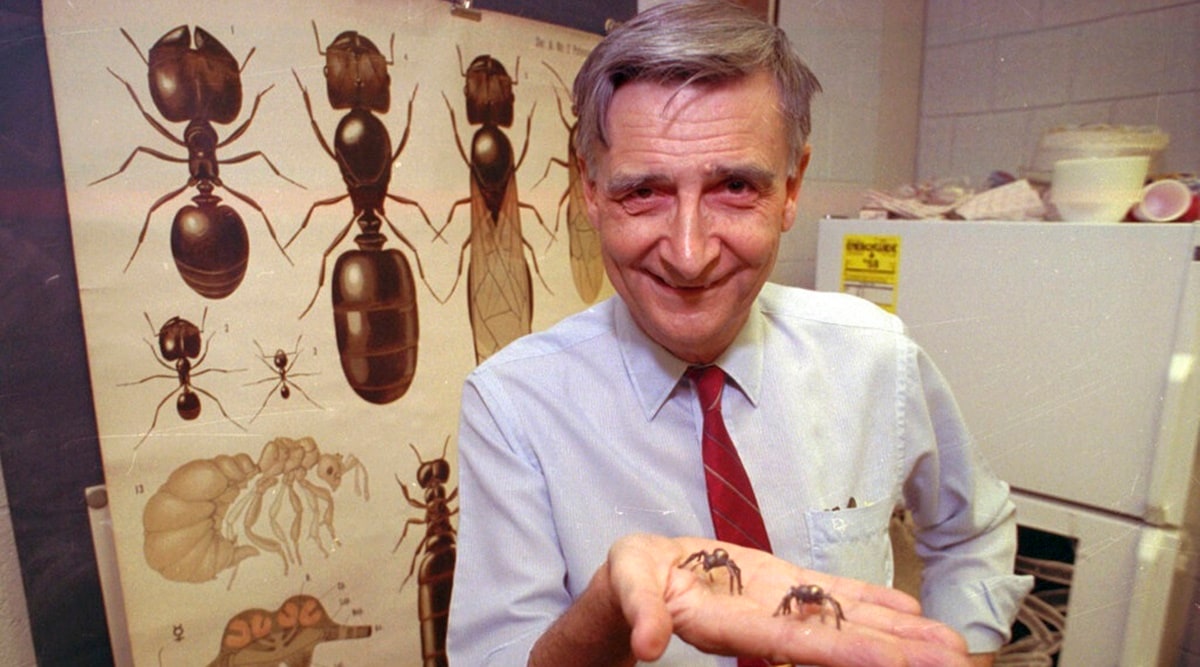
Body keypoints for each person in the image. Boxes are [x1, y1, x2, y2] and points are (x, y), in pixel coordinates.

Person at [447, 1, 1032, 665]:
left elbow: (973, 531)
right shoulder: (513, 404)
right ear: (590, 190)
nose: (689, 253)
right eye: (644, 191)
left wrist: (963, 650)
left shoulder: (875, 356)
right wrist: (608, 601)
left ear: (791, 187)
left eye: (734, 186)